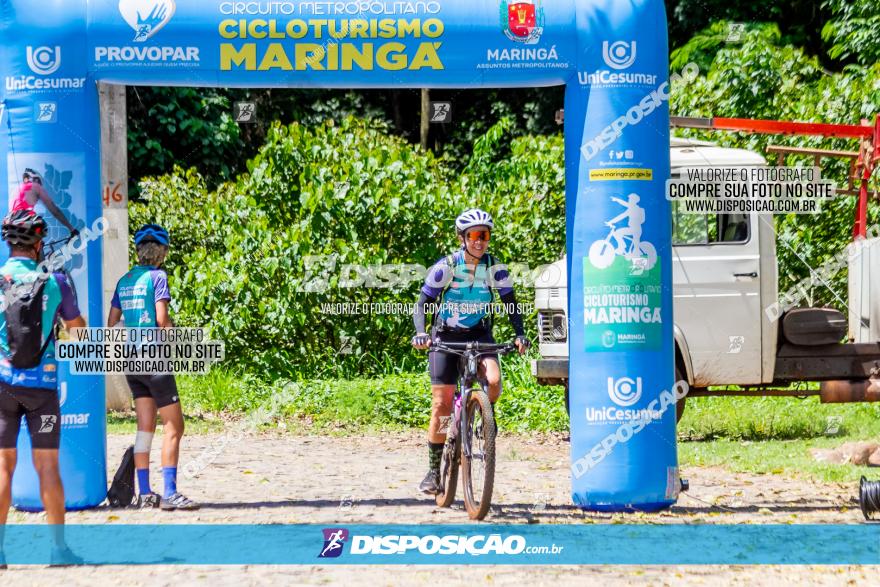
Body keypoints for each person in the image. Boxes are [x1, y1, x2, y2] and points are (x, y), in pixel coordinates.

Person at [411, 208, 529, 495]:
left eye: (484, 235)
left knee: (495, 381)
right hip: (445, 336)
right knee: (441, 404)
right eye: (474, 235)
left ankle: (482, 418)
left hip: (479, 333)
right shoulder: (446, 267)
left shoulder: (495, 268)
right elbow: (422, 303)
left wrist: (519, 334)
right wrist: (421, 332)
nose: (480, 241)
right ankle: (432, 471)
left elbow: (510, 303)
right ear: (462, 238)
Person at [0, 210, 86, 567]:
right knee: (48, 466)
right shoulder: (57, 280)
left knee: (3, 467)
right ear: (38, 244)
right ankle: (58, 550)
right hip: (43, 391)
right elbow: (77, 330)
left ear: (8, 243)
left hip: (3, 386)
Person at [107, 224, 198, 511]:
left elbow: (112, 323)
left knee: (145, 428)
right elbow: (161, 320)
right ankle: (170, 493)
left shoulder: (124, 281)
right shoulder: (158, 277)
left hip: (131, 360)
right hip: (154, 357)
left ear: (138, 251)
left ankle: (146, 493)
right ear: (162, 252)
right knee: (174, 426)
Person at [14, 169, 78, 235]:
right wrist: (71, 229)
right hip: (23, 221)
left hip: (10, 223)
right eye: (38, 182)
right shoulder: (35, 186)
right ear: (34, 179)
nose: (39, 185)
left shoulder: (16, 189)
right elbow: (55, 212)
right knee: (39, 222)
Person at [606, 193, 645, 257]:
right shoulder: (640, 209)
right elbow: (642, 220)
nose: (629, 200)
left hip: (633, 229)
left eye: (630, 199)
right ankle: (627, 250)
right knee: (636, 247)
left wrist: (610, 222)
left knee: (617, 233)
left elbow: (621, 216)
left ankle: (622, 247)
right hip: (638, 229)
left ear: (634, 201)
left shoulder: (632, 209)